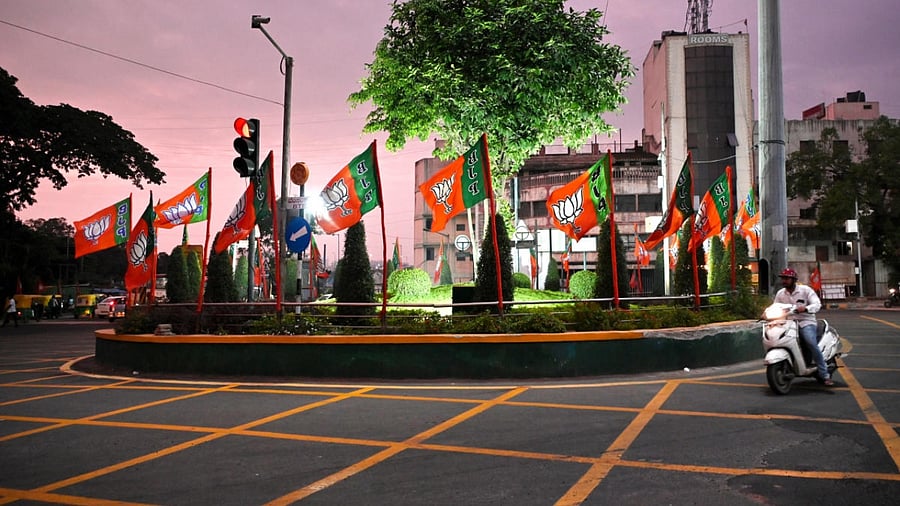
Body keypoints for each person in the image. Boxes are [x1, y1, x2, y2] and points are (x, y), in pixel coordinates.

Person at [774, 267, 833, 386]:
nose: (784, 281)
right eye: (783, 278)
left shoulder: (805, 290)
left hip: (806, 322)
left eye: (787, 278)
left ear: (793, 279)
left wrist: (806, 308)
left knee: (810, 342)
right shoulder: (780, 294)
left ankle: (824, 374)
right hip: (788, 323)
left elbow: (817, 304)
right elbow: (775, 307)